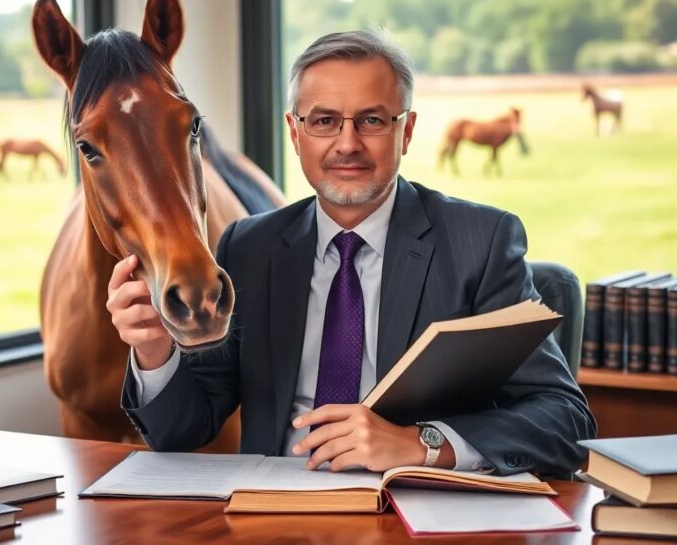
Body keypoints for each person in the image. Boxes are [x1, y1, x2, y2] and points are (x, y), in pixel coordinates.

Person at [108, 31, 596, 475]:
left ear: (405, 131)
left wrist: (420, 444)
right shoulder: (248, 248)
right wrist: (154, 351)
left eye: (372, 120)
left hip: (417, 514)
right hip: (270, 518)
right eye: (323, 121)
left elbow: (565, 420)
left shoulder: (480, 243)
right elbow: (182, 430)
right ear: (295, 132)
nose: (347, 144)